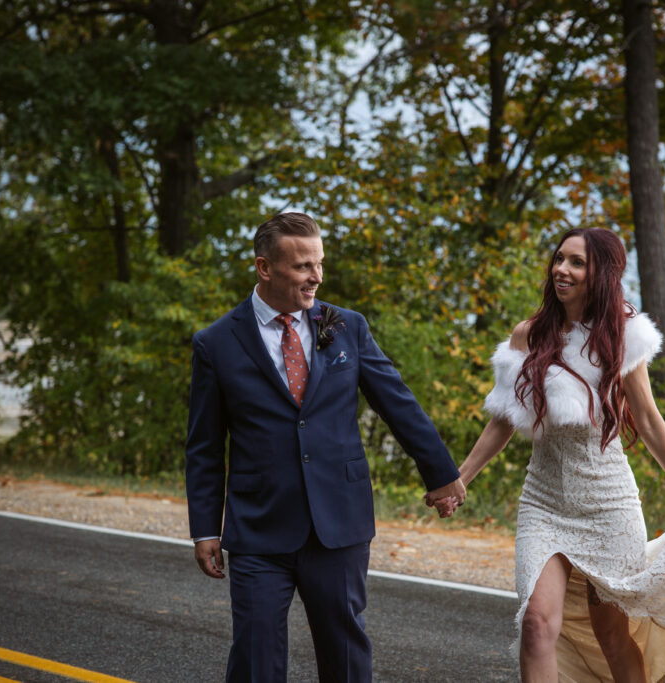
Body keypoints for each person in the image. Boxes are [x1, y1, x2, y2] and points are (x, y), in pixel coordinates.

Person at [429, 228, 665, 682]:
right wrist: (458, 480)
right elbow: (502, 419)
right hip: (543, 502)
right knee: (537, 625)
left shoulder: (620, 335)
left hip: (608, 504)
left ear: (601, 273)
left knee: (613, 635)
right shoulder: (528, 336)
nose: (562, 269)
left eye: (577, 262)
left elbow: (651, 420)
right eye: (560, 258)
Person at [185, 212, 465, 682]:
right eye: (302, 267)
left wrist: (440, 475)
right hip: (258, 526)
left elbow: (398, 403)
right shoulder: (216, 343)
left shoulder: (346, 327)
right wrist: (204, 529)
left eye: (319, 264)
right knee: (255, 659)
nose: (316, 277)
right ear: (264, 267)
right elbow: (205, 447)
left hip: (339, 521)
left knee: (345, 656)